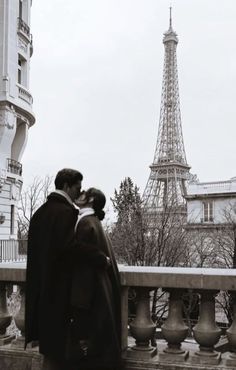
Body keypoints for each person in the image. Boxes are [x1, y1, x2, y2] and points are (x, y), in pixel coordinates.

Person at [25, 169, 109, 370]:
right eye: (77, 188)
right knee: (60, 351)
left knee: (49, 349)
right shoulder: (66, 212)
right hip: (59, 293)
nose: (78, 193)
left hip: (41, 291)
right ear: (66, 186)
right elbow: (69, 247)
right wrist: (98, 257)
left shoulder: (40, 212)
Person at [68, 187, 121, 370]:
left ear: (90, 200)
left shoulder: (85, 223)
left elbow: (80, 260)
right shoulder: (94, 222)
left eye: (83, 193)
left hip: (88, 296)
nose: (79, 194)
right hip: (98, 293)